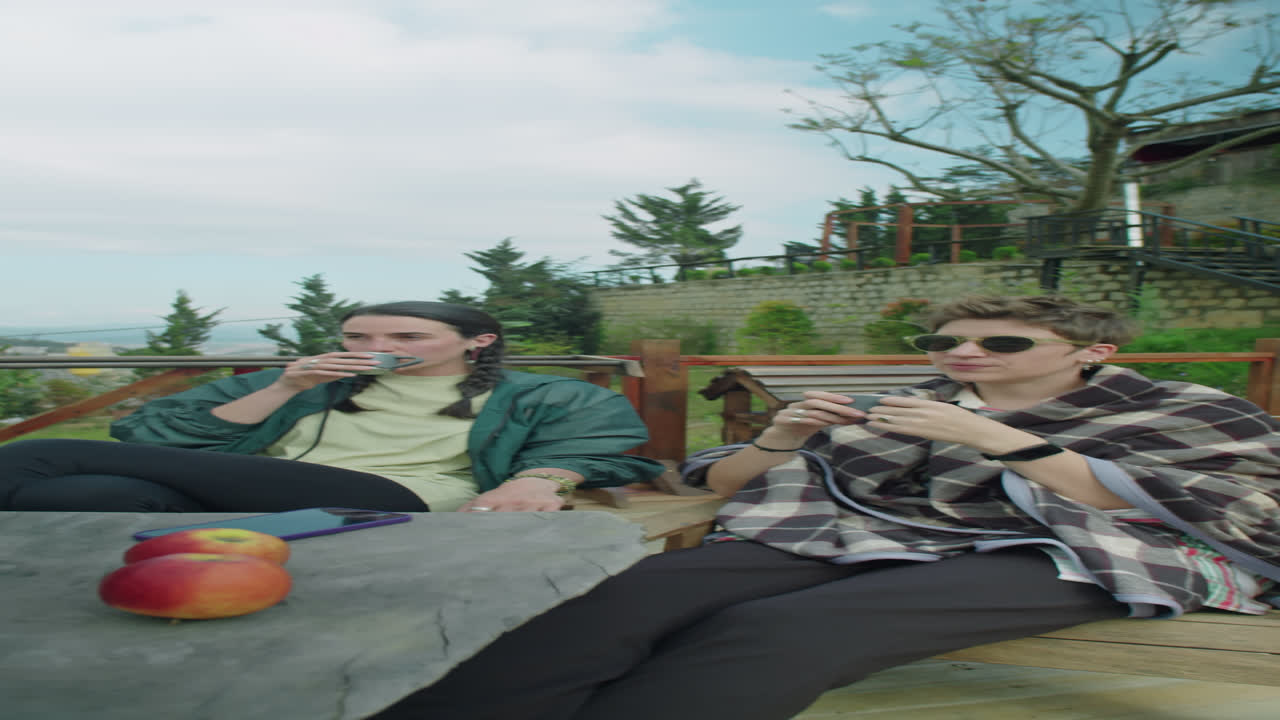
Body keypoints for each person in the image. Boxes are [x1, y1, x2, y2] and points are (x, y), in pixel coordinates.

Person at [373, 294, 1280, 720]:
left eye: (1000, 342)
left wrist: (999, 440)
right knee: (610, 600)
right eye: (946, 341)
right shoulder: (902, 404)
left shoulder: (1181, 406)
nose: (964, 353)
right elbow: (721, 486)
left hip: (1063, 547)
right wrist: (784, 439)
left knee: (781, 634)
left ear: (1093, 351)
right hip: (861, 529)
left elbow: (1218, 502)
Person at [0, 301, 663, 513]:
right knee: (84, 490)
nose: (378, 348)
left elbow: (598, 439)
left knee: (38, 455)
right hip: (259, 491)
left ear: (478, 340)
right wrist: (286, 387)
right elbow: (160, 434)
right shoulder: (302, 380)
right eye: (359, 336)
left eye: (406, 338)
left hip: (387, 499)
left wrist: (540, 477)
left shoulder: (542, 393)